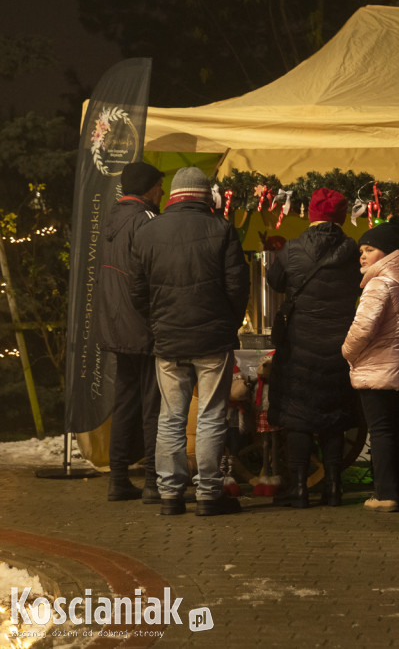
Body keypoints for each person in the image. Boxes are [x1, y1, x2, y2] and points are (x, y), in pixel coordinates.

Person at [130, 167, 250, 516]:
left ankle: (170, 495)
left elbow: (137, 292)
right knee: (212, 415)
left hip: (167, 341)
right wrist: (227, 324)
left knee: (170, 416)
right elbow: (237, 287)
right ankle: (209, 495)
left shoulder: (148, 231)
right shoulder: (221, 228)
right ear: (204, 195)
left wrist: (157, 324)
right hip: (213, 340)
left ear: (174, 195)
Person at [267, 188, 361, 508]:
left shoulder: (292, 250)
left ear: (310, 213)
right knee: (333, 415)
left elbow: (275, 281)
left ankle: (299, 487)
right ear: (341, 215)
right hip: (339, 344)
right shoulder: (352, 249)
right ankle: (334, 487)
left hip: (300, 344)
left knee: (299, 416)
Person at [342, 220, 399, 513]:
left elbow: (363, 328)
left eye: (369, 249)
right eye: (361, 250)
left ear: (386, 253)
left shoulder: (379, 283)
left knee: (381, 430)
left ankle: (386, 494)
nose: (362, 256)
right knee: (394, 431)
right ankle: (394, 491)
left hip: (377, 366)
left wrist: (346, 351)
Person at [98, 161, 164, 503]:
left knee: (125, 403)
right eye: (159, 187)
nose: (162, 193)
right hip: (144, 327)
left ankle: (118, 478)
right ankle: (153, 482)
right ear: (149, 188)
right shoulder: (146, 220)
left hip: (115, 325)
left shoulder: (110, 219)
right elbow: (156, 274)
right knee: (153, 405)